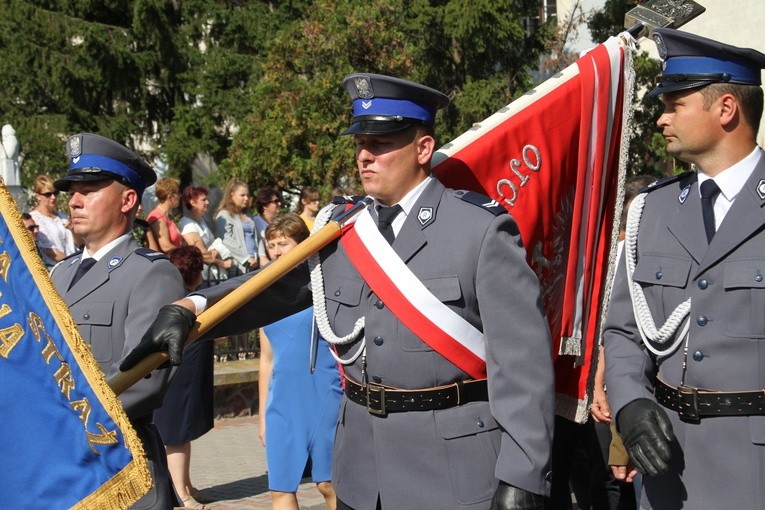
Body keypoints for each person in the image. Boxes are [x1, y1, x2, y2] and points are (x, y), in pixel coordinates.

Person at [123, 73, 554, 510]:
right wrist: (192, 305)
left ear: (423, 148)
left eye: (382, 142)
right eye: (360, 142)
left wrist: (523, 475)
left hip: (453, 471)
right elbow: (266, 289)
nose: (365, 155)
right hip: (361, 470)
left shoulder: (479, 230)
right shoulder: (347, 229)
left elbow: (523, 365)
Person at [602, 29, 765, 510]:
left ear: (726, 109)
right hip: (666, 469)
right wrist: (630, 402)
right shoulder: (651, 210)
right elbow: (623, 331)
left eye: (674, 104)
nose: (661, 118)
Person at [50, 133, 186, 509]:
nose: (74, 200)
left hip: (119, 466)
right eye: (72, 190)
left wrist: (58, 417)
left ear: (128, 200)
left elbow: (144, 380)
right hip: (60, 470)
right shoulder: (58, 275)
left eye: (89, 188)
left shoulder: (150, 274)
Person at [258, 213, 342, 510]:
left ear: (302, 244)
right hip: (282, 399)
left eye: (284, 243)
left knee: (328, 484)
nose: (277, 251)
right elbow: (266, 359)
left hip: (324, 390)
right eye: (271, 244)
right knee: (280, 487)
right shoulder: (262, 290)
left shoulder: (321, 285)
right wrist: (262, 416)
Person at [154, 245, 213, 509]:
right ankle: (180, 493)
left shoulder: (182, 298)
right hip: (181, 373)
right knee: (177, 433)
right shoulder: (185, 301)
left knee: (184, 430)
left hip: (188, 371)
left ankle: (185, 483)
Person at [179, 185, 232, 283]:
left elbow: (210, 246)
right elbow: (201, 253)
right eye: (203, 200)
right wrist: (223, 263)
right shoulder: (187, 224)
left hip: (210, 274)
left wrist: (216, 250)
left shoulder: (201, 221)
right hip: (202, 277)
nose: (207, 202)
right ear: (192, 202)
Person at [214, 178, 260, 275]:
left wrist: (261, 257)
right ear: (231, 195)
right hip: (239, 267)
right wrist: (246, 258)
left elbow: (256, 238)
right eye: (242, 195)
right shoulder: (224, 215)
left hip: (255, 263)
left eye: (247, 195)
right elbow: (227, 240)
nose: (246, 198)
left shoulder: (248, 215)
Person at [29, 174, 77, 268]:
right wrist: (70, 263)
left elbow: (77, 243)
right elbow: (48, 250)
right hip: (54, 268)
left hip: (73, 264)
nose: (53, 197)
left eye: (55, 193)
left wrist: (73, 230)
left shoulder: (62, 216)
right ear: (38, 196)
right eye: (48, 194)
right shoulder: (34, 220)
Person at [147, 177, 184, 253]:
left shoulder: (167, 216)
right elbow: (166, 247)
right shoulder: (157, 217)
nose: (180, 196)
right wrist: (185, 253)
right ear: (170, 197)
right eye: (178, 193)